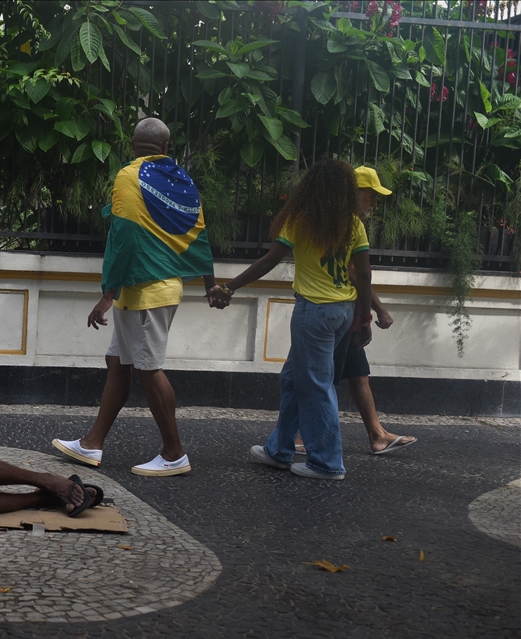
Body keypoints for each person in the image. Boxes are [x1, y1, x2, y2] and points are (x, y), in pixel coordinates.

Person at [52, 117, 223, 477]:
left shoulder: (129, 176)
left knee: (148, 369)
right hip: (153, 287)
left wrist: (106, 294)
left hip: (146, 291)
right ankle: (92, 444)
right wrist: (209, 284)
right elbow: (198, 232)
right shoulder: (183, 181)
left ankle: (174, 453)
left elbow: (124, 236)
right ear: (166, 147)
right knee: (119, 364)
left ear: (133, 145)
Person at [207, 159, 372, 480]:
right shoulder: (354, 224)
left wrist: (228, 287)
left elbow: (269, 260)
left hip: (314, 312)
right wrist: (365, 316)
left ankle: (327, 462)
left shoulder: (300, 221)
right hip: (343, 311)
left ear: (311, 186)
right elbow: (363, 274)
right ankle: (279, 450)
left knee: (316, 385)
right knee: (295, 378)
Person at [326, 166, 417, 455]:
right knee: (324, 378)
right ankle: (306, 438)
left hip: (348, 313)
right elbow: (357, 275)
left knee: (358, 374)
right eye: (371, 196)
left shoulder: (344, 222)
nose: (374, 204)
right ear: (354, 194)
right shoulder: (347, 225)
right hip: (342, 314)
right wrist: (374, 312)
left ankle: (377, 435)